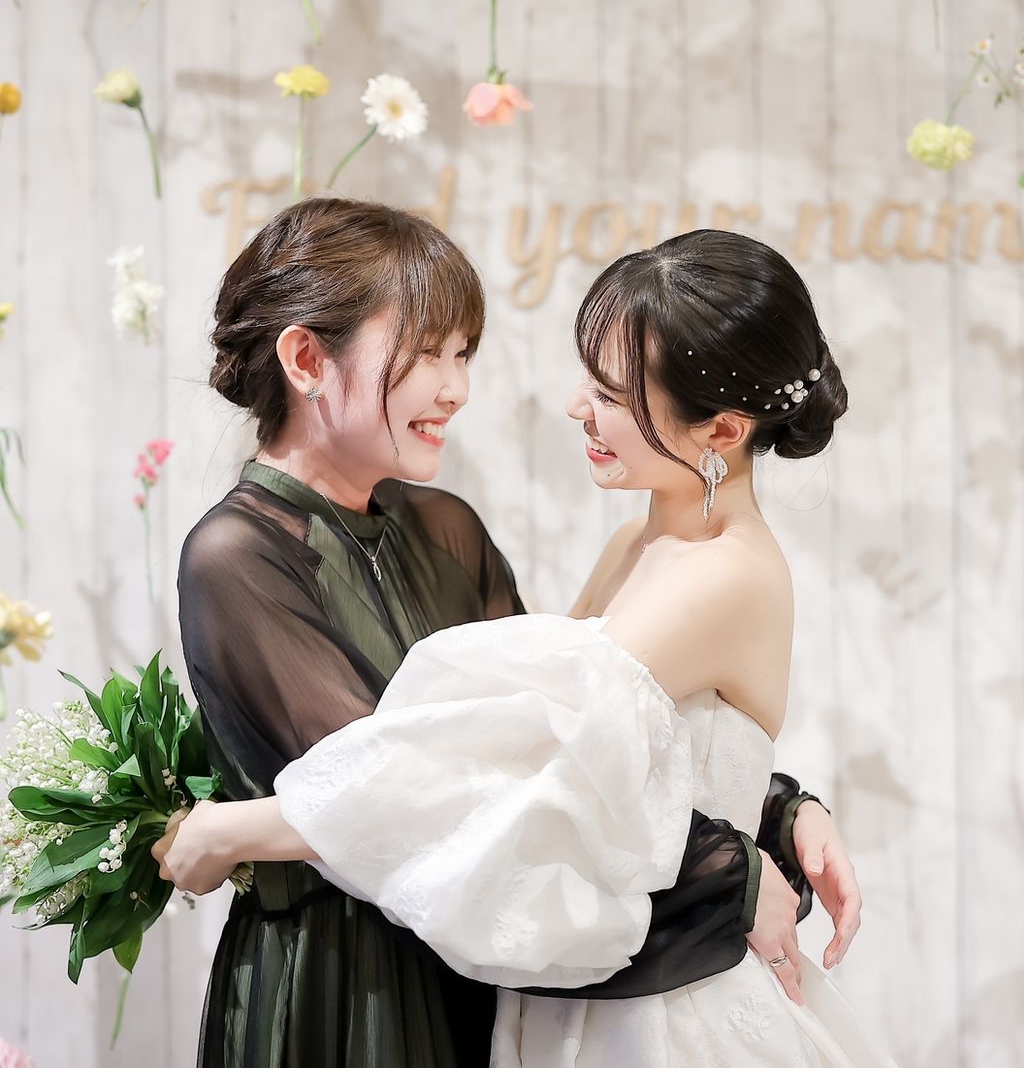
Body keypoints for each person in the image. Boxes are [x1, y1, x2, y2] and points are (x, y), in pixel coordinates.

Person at [164, 202, 862, 1068]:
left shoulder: (447, 529)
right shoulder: (240, 556)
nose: (457, 388)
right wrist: (743, 853)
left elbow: (544, 757)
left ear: (723, 430)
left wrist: (769, 811)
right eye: (429, 353)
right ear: (306, 360)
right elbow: (505, 765)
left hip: (544, 986)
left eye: (462, 353)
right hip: (349, 990)